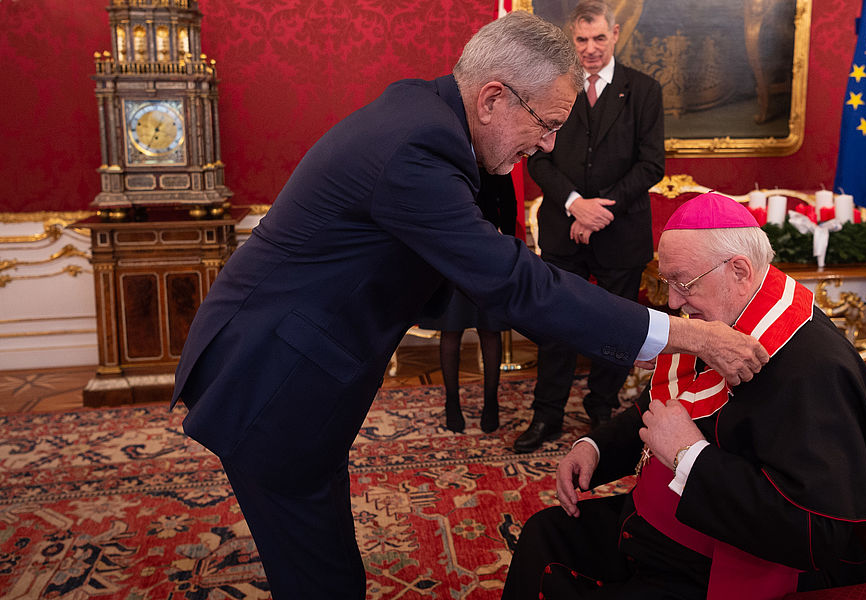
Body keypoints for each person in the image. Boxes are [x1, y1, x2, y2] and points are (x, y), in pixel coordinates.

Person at [169, 12, 769, 600]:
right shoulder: (415, 147)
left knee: (323, 556)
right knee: (318, 575)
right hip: (271, 375)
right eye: (548, 123)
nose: (549, 144)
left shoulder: (432, 118)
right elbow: (516, 282)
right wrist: (690, 337)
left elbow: (491, 255)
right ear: (491, 99)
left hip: (300, 360)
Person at [502, 192, 866, 598]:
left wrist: (688, 456)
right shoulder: (724, 323)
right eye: (668, 282)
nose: (674, 302)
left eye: (684, 283)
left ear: (740, 270)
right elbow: (662, 408)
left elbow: (820, 533)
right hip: (662, 527)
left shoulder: (811, 366)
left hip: (723, 562)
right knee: (545, 534)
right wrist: (595, 447)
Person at [516, 0, 665, 453]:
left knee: (619, 325)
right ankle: (548, 415)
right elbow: (536, 156)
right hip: (563, 227)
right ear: (571, 39)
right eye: (581, 40)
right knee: (557, 324)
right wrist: (577, 204)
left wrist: (602, 210)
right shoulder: (550, 87)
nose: (590, 48)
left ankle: (602, 406)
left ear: (615, 34)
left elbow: (652, 164)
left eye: (598, 38)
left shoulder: (644, 89)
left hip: (622, 232)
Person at [418, 171, 517, 433]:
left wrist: (504, 236)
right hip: (450, 253)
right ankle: (452, 403)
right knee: (451, 330)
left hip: (488, 255)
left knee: (489, 329)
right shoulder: (443, 157)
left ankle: (491, 403)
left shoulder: (495, 156)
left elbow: (509, 202)